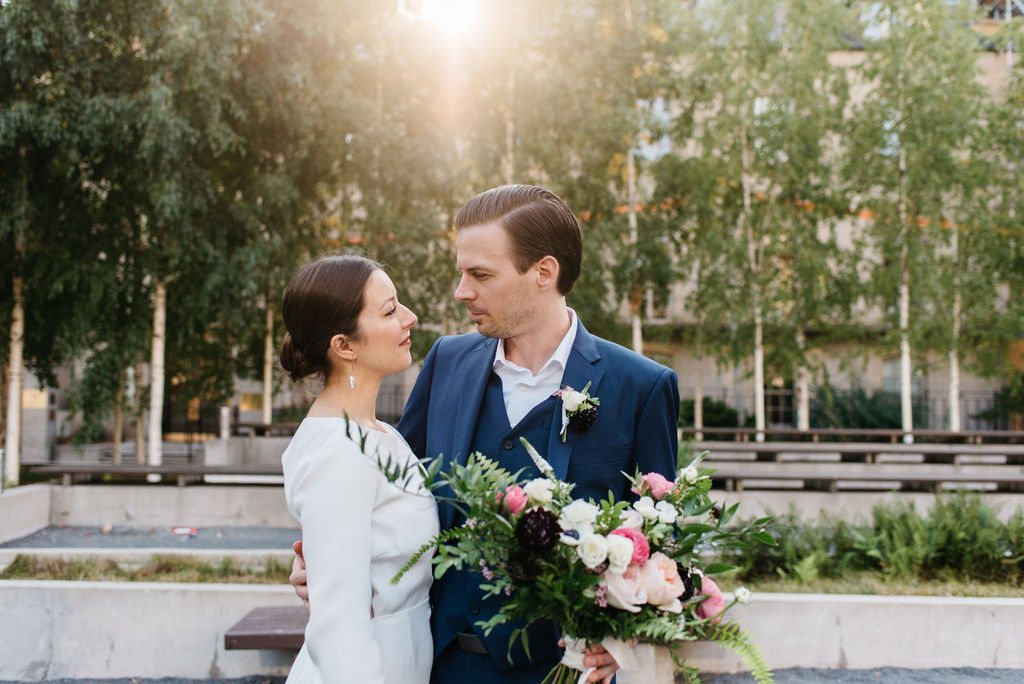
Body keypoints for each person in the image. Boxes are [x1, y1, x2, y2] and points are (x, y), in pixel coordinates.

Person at [292, 185, 679, 684]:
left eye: (480, 274)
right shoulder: (446, 363)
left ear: (543, 272)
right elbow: (388, 490)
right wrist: (326, 560)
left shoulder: (641, 386)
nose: (461, 291)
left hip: (561, 672)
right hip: (437, 665)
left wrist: (626, 638)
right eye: (462, 272)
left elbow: (660, 543)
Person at [278, 255, 438, 684]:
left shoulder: (380, 433)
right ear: (344, 346)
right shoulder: (340, 450)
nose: (410, 317)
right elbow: (338, 629)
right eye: (389, 311)